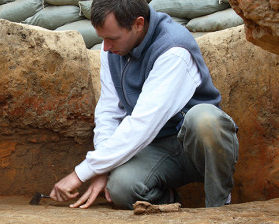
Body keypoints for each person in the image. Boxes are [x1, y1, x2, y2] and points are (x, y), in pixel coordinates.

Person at [49, 0, 239, 209]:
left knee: (205, 120)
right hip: (158, 148)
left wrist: (82, 172)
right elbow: (109, 112)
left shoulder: (173, 49)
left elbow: (143, 123)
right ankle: (170, 203)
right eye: (102, 39)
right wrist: (103, 168)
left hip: (198, 147)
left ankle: (219, 206)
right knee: (120, 188)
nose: (106, 47)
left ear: (138, 24)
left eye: (112, 38)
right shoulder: (111, 50)